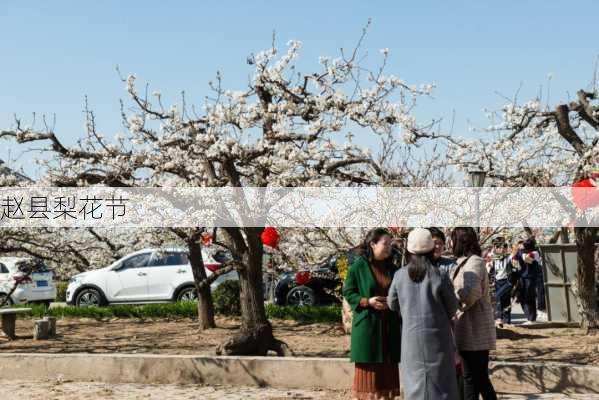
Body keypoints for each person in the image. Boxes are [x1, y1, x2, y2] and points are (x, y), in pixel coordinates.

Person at [387, 228, 459, 400]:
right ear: (430, 249)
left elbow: (392, 303)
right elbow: (452, 307)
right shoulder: (439, 275)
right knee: (442, 385)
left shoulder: (399, 276)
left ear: (409, 250)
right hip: (438, 338)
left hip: (411, 338)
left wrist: (407, 311)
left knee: (414, 384)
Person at [342, 228, 402, 400]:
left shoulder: (393, 268)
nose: (389, 247)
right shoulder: (358, 267)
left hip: (389, 326)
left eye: (390, 244)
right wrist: (366, 301)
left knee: (388, 377)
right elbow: (348, 291)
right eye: (385, 243)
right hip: (368, 327)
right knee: (369, 382)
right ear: (373, 244)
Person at [451, 227, 497, 400]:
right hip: (468, 328)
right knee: (474, 377)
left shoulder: (474, 262)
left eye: (452, 239)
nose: (451, 243)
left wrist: (456, 305)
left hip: (475, 327)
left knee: (475, 378)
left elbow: (471, 292)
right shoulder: (464, 261)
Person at [513, 237, 542, 323]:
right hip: (522, 278)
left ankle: (532, 318)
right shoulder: (521, 252)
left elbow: (527, 259)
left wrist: (520, 252)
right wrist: (517, 253)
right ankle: (529, 316)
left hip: (531, 278)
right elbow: (514, 261)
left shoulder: (535, 253)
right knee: (521, 297)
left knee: (529, 298)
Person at [487, 237, 514, 326]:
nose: (501, 250)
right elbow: (491, 269)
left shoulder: (509, 257)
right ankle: (506, 320)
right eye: (499, 248)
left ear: (506, 249)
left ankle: (499, 317)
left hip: (507, 282)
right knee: (505, 301)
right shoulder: (494, 258)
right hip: (498, 282)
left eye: (503, 248)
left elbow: (514, 256)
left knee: (498, 297)